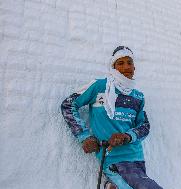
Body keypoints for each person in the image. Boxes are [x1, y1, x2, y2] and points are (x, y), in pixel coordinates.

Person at [61, 46, 163, 189]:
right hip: (111, 158)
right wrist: (85, 137)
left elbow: (144, 127)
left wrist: (126, 136)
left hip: (135, 158)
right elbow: (68, 105)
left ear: (135, 67)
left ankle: (110, 185)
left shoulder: (138, 96)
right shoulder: (99, 86)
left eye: (129, 62)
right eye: (120, 63)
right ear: (113, 67)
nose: (126, 66)